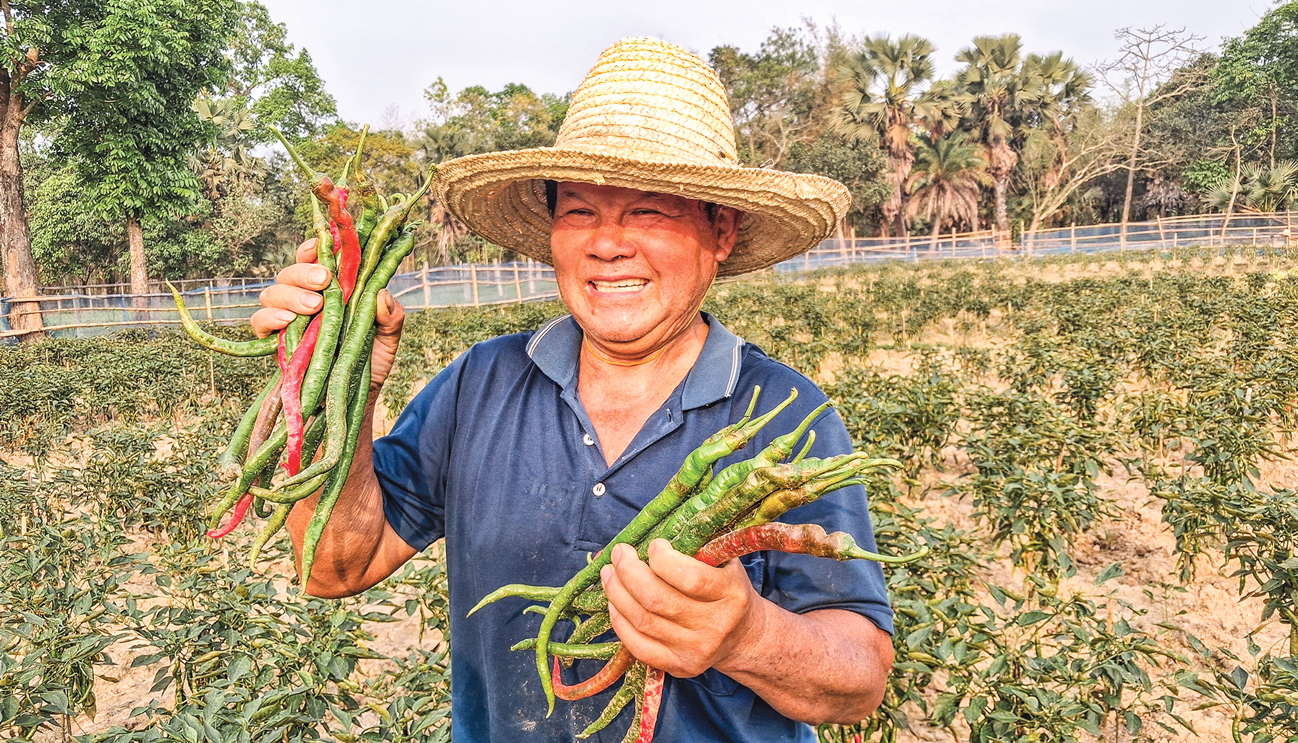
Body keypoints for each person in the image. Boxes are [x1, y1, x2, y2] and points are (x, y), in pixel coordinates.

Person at [253, 37, 894, 743]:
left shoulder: (784, 414)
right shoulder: (479, 383)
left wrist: (751, 637)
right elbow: (333, 565)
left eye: (649, 212)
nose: (607, 244)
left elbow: (861, 675)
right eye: (580, 212)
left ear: (720, 231)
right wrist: (331, 378)